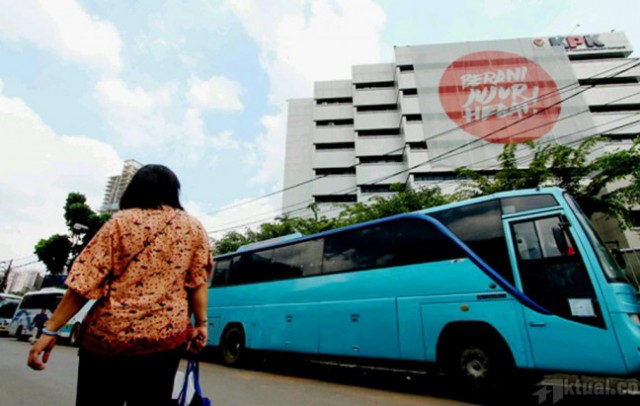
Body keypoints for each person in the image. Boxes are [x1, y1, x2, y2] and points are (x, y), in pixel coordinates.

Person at [27, 164, 213, 406]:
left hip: (106, 341)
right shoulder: (193, 229)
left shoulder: (118, 223)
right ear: (173, 192)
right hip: (163, 342)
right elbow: (198, 283)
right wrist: (201, 324)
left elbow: (83, 283)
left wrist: (50, 330)